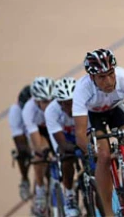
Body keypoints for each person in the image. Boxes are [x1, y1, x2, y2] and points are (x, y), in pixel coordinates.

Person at [73, 48, 124, 216]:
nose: (109, 80)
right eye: (102, 77)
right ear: (92, 77)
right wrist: (94, 153)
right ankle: (108, 211)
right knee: (103, 156)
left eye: (111, 73)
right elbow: (80, 135)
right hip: (94, 116)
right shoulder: (82, 90)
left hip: (116, 109)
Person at [44, 77, 80, 217]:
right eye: (66, 103)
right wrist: (70, 149)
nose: (71, 107)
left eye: (73, 102)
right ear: (59, 103)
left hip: (80, 133)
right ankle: (70, 196)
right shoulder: (51, 111)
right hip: (63, 137)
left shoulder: (85, 103)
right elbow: (62, 144)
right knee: (66, 158)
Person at [22, 77, 55, 216]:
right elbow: (36, 141)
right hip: (40, 132)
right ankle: (40, 190)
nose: (49, 105)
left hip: (54, 128)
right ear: (36, 100)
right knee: (40, 155)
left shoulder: (57, 104)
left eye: (51, 100)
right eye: (44, 101)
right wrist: (43, 153)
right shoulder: (29, 110)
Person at [8, 85, 33, 201]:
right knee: (22, 153)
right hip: (25, 136)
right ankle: (25, 179)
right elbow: (19, 140)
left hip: (37, 130)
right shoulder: (15, 111)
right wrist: (29, 151)